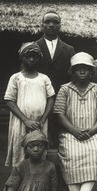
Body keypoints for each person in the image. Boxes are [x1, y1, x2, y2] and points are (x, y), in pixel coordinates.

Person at [53, 52, 97, 191]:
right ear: (72, 71)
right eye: (78, 68)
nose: (81, 71)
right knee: (71, 155)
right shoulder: (65, 89)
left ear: (91, 72)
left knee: (96, 154)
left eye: (85, 69)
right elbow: (59, 114)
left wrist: (92, 130)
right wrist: (73, 130)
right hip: (70, 134)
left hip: (93, 133)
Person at [4, 42, 55, 167]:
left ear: (39, 58)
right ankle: (19, 181)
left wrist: (42, 120)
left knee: (38, 149)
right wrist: (25, 120)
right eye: (28, 56)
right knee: (20, 150)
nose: (32, 59)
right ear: (22, 58)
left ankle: (37, 181)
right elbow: (9, 101)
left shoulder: (44, 78)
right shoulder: (16, 78)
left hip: (39, 124)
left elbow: (51, 98)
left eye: (35, 56)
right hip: (21, 122)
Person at [0, 130, 76, 191]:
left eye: (40, 146)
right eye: (31, 146)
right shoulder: (20, 166)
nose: (35, 149)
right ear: (26, 149)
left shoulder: (50, 166)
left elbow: (54, 190)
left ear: (45, 148)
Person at [36, 10, 75, 147]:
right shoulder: (34, 47)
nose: (51, 25)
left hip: (62, 96)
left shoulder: (69, 49)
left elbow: (72, 75)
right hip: (39, 96)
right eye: (47, 22)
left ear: (60, 26)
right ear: (42, 25)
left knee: (61, 134)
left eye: (55, 22)